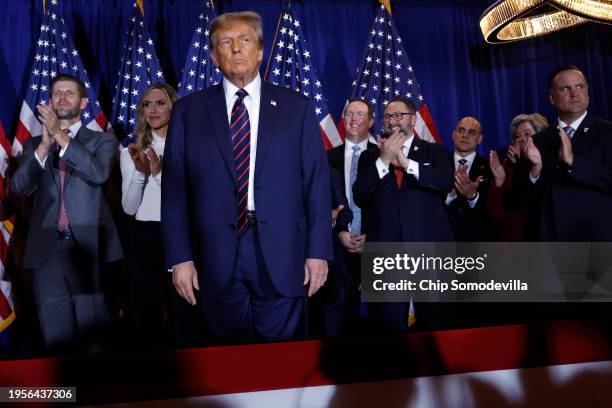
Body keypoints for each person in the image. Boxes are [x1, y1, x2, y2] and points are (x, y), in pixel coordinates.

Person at [161, 11, 332, 343]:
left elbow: (316, 185)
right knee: (227, 362)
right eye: (226, 42)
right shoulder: (188, 111)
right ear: (213, 55)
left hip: (285, 255)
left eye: (245, 40)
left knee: (284, 364)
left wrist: (318, 251)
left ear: (260, 50)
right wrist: (179, 258)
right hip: (214, 258)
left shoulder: (296, 107)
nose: (236, 49)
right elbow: (175, 191)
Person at [11, 74, 123, 352]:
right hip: (46, 248)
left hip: (88, 247)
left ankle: (97, 393)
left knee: (93, 332)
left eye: (69, 93)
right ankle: (66, 394)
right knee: (54, 335)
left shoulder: (102, 140)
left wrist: (60, 137)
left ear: (83, 102)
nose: (61, 98)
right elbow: (20, 187)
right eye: (56, 93)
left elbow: (98, 174)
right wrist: (44, 146)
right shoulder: (33, 145)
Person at [353, 97, 454, 331]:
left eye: (399, 115)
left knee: (435, 325)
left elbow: (445, 181)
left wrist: (407, 163)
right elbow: (360, 194)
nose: (392, 120)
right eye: (388, 116)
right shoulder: (370, 156)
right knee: (388, 329)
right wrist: (384, 160)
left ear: (414, 119)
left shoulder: (433, 151)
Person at [120, 84, 203, 348]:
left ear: (173, 107)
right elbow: (129, 208)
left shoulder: (190, 148)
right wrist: (141, 173)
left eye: (160, 103)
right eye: (147, 104)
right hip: (145, 239)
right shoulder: (131, 153)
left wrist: (158, 174)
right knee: (146, 316)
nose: (153, 109)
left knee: (186, 311)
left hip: (181, 236)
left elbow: (194, 201)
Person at [520, 65, 612, 241]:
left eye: (580, 86)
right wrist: (535, 170)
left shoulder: (607, 132)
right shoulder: (537, 141)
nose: (575, 93)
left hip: (596, 241)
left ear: (588, 93)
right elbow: (517, 200)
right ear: (552, 98)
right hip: (549, 242)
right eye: (565, 88)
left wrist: (573, 161)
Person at [327, 98, 376, 332]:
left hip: (375, 245)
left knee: (379, 321)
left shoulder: (383, 156)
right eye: (349, 114)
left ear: (371, 121)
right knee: (341, 318)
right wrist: (340, 232)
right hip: (337, 248)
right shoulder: (326, 158)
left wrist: (372, 236)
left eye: (360, 114)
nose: (354, 119)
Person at [488, 113, 548, 241]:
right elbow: (496, 214)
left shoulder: (550, 164)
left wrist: (522, 164)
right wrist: (499, 182)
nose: (520, 139)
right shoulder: (507, 167)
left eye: (527, 134)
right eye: (517, 136)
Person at [444, 117, 496, 241]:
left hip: (474, 242)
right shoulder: (438, 163)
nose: (465, 136)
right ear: (453, 134)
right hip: (441, 240)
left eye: (472, 132)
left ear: (480, 139)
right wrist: (449, 196)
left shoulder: (491, 168)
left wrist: (472, 196)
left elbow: (493, 211)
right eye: (461, 130)